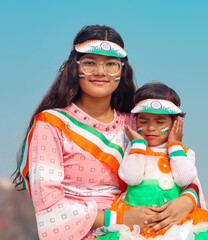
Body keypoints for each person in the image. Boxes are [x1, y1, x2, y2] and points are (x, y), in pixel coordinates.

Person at [12, 25, 197, 240]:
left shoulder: (137, 122)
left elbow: (178, 171)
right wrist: (118, 219)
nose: (100, 72)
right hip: (87, 232)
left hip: (145, 229)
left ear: (121, 71)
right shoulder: (51, 124)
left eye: (111, 64)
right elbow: (48, 202)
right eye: (90, 63)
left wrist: (188, 201)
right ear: (75, 68)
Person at [95, 82, 208, 240]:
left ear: (174, 123)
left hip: (176, 226)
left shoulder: (184, 153)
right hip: (136, 227)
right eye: (144, 120)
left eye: (160, 121)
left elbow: (185, 179)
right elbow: (131, 178)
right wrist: (138, 145)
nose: (150, 127)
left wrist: (174, 146)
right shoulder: (134, 149)